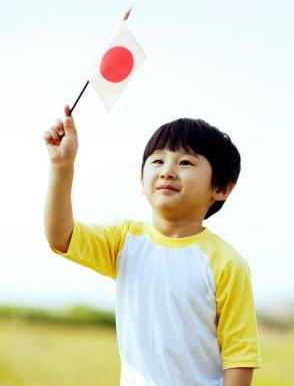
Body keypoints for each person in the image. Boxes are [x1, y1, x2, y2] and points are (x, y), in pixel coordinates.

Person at [43, 105, 262, 385]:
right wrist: (61, 167)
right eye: (158, 161)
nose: (168, 171)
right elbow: (60, 236)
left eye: (185, 163)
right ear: (141, 179)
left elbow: (239, 358)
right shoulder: (125, 240)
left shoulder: (227, 263)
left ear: (221, 188)